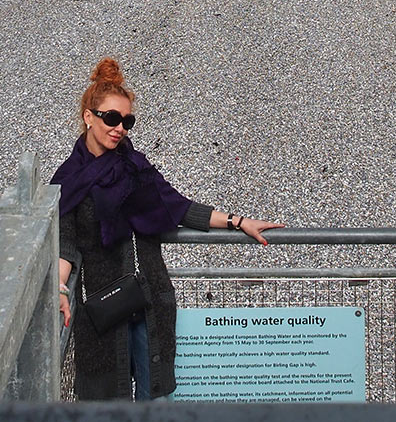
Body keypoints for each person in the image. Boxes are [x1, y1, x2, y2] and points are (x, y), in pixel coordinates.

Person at [51, 57, 283, 400]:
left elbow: (178, 207)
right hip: (101, 306)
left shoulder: (135, 168)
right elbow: (65, 243)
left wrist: (238, 221)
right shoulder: (67, 181)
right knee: (104, 406)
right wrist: (58, 286)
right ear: (89, 117)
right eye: (112, 118)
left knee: (154, 400)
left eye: (126, 121)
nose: (120, 128)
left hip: (149, 298)